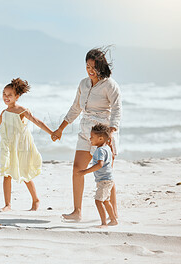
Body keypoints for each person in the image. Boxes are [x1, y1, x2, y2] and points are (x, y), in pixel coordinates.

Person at [51, 48, 122, 221]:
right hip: (85, 133)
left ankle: (114, 215)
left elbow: (117, 109)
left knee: (106, 176)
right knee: (77, 170)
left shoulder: (110, 85)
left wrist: (111, 132)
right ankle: (77, 212)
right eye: (87, 66)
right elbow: (76, 107)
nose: (90, 70)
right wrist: (61, 128)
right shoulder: (83, 83)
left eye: (93, 66)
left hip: (103, 135)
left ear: (101, 66)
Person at [0, 78, 53, 211]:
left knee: (25, 173)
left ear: (17, 96)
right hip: (8, 148)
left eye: (9, 95)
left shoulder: (22, 110)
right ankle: (7, 205)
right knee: (6, 174)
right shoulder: (4, 112)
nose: (6, 97)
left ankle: (36, 200)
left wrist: (52, 133)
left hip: (22, 147)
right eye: (4, 94)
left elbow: (38, 122)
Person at [76, 124, 118, 228]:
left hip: (104, 180)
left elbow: (100, 164)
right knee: (106, 200)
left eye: (92, 137)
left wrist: (84, 171)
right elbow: (111, 156)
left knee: (98, 201)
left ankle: (104, 224)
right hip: (108, 179)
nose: (90, 139)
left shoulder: (100, 151)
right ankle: (113, 220)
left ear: (100, 138)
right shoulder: (107, 148)